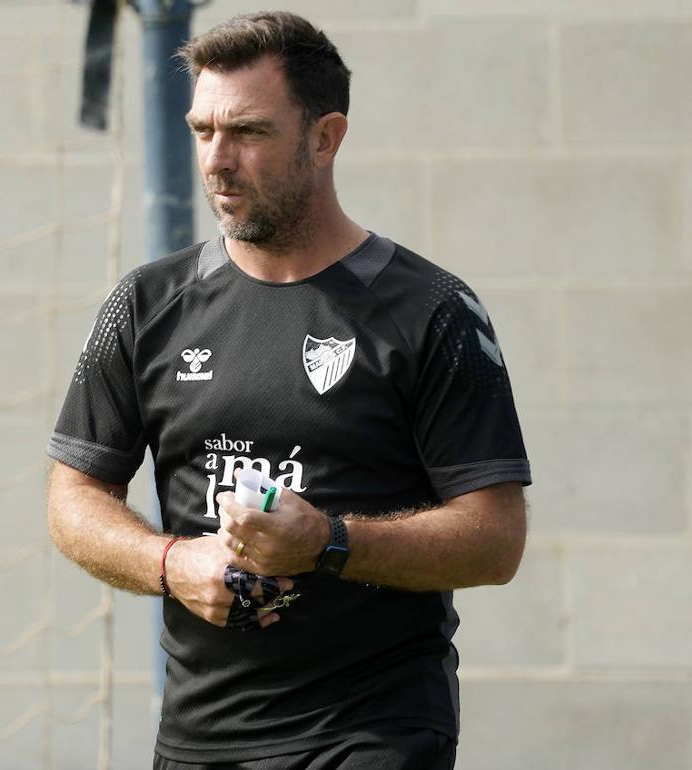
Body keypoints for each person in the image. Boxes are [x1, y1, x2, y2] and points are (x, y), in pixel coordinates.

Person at [45, 10, 531, 769]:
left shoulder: (433, 311)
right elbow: (72, 499)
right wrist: (174, 564)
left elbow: (497, 539)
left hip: (374, 731)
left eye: (248, 132)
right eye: (202, 130)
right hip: (200, 738)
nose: (216, 160)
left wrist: (329, 544)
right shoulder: (143, 306)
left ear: (325, 137)